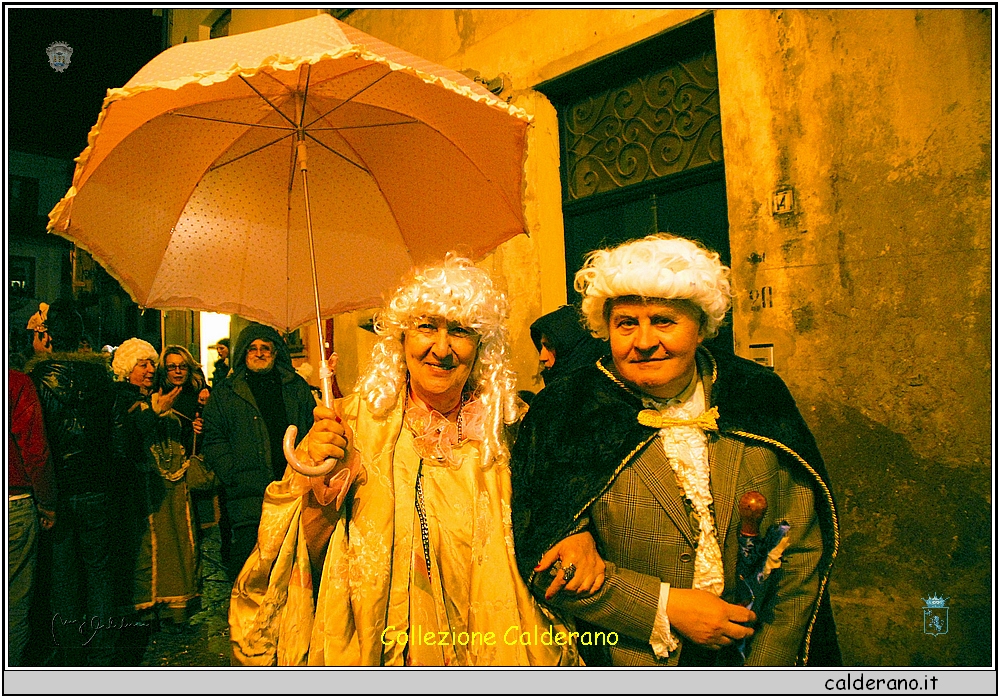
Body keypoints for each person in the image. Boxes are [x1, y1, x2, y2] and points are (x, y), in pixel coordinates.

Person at [229, 256, 579, 666]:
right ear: (401, 338)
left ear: (481, 347)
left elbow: (558, 528)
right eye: (427, 326)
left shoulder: (511, 431)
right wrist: (322, 501)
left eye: (461, 330)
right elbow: (292, 564)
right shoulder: (347, 425)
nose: (442, 349)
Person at [511, 234, 840, 667]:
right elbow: (542, 557)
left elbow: (799, 549)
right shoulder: (567, 411)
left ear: (701, 327)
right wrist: (665, 608)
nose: (644, 341)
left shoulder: (756, 394)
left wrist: (765, 667)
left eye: (664, 321)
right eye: (626, 323)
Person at [25, 299, 117, 666]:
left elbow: (36, 442)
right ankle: (106, 652)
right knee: (100, 572)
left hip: (59, 490)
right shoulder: (102, 377)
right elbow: (116, 438)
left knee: (63, 576)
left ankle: (69, 655)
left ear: (48, 337)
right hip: (96, 486)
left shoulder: (36, 380)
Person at [202, 324, 315, 579]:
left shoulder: (295, 387)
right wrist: (232, 474)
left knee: (292, 571)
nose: (259, 353)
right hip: (247, 496)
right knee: (249, 571)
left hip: (292, 490)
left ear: (276, 353)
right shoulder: (226, 393)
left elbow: (311, 427)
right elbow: (214, 438)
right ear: (243, 353)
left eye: (266, 348)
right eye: (253, 348)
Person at [108, 338, 159, 657]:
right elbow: (127, 440)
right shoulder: (124, 400)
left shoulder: (141, 398)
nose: (151, 370)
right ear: (128, 370)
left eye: (152, 364)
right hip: (125, 487)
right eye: (143, 365)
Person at [9, 369, 57, 666]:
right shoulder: (15, 383)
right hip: (14, 500)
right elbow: (34, 450)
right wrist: (48, 503)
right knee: (13, 601)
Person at [529, 304, 608, 385]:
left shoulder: (603, 394)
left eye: (550, 346)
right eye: (541, 347)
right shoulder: (553, 393)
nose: (542, 357)